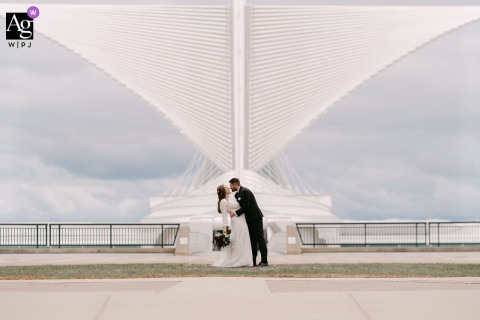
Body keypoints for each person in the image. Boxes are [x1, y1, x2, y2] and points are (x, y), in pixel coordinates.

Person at [229, 178, 268, 267]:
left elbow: (247, 206)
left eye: (231, 185)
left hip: (255, 218)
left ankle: (264, 260)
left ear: (235, 184)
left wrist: (235, 213)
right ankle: (253, 261)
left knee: (260, 239)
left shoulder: (245, 191)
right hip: (248, 220)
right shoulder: (237, 195)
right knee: (252, 241)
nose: (230, 188)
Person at [213, 184, 252, 267]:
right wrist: (225, 229)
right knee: (238, 240)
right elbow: (224, 217)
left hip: (242, 220)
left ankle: (244, 259)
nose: (228, 188)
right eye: (226, 187)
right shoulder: (223, 201)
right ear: (224, 191)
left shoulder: (232, 198)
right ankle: (236, 260)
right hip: (236, 221)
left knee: (243, 239)